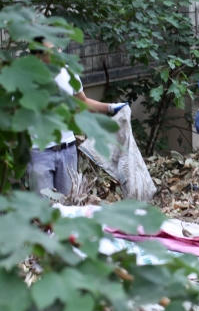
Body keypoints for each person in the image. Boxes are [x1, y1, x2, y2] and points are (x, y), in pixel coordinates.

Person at [27, 38, 127, 197]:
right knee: (43, 207)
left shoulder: (67, 73)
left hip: (67, 151)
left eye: (58, 49)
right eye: (51, 51)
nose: (58, 54)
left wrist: (110, 107)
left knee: (69, 203)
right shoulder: (25, 78)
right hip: (39, 153)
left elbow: (82, 103)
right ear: (37, 55)